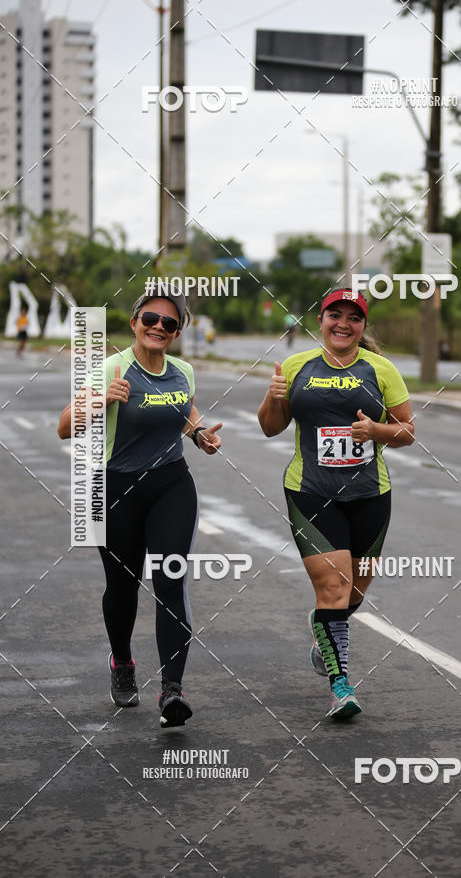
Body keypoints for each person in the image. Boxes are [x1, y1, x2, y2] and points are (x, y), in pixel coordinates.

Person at [58, 287, 222, 727]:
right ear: (134, 322)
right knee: (122, 585)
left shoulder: (182, 370)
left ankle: (172, 691)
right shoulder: (109, 368)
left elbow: (183, 410)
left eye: (169, 323)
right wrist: (102, 399)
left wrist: (200, 433)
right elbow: (63, 427)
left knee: (171, 580)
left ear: (177, 332)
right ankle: (122, 662)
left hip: (171, 483)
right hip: (113, 488)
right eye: (151, 318)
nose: (158, 328)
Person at [258, 288, 414, 720]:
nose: (343, 323)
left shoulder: (381, 369)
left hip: (369, 495)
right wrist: (273, 396)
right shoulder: (295, 366)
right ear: (321, 320)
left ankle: (324, 632)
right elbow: (271, 428)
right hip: (311, 492)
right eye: (334, 315)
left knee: (353, 592)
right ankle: (340, 685)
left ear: (363, 326)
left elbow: (407, 431)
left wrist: (376, 433)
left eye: (354, 317)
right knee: (332, 587)